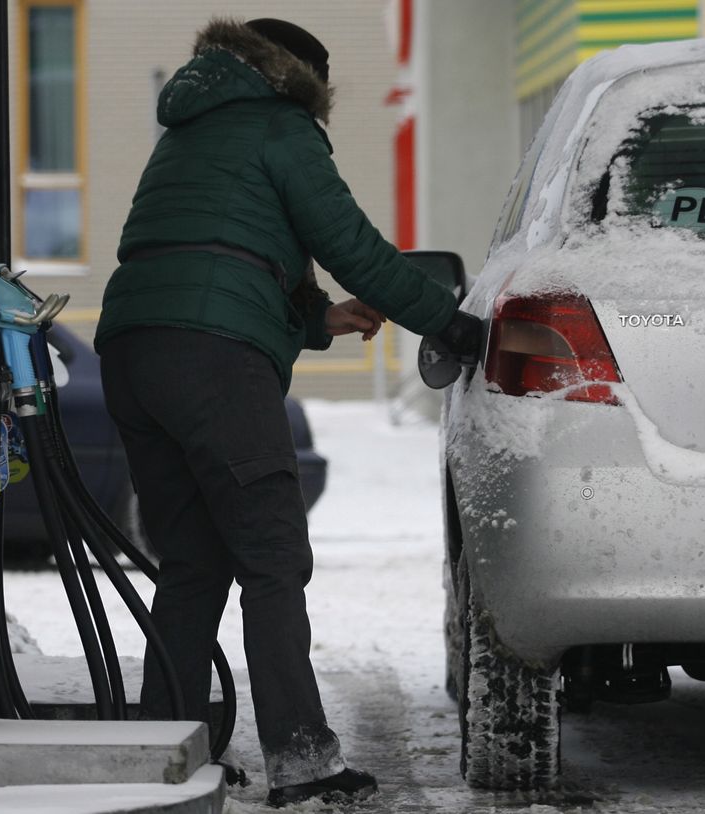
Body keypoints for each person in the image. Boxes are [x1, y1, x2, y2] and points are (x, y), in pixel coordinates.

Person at [94, 17, 481, 808]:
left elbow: (206, 254)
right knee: (272, 561)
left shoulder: (189, 130)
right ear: (301, 77)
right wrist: (453, 322)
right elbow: (353, 246)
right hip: (214, 362)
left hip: (134, 350)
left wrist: (315, 321)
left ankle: (164, 748)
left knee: (194, 564)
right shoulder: (282, 124)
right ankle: (303, 761)